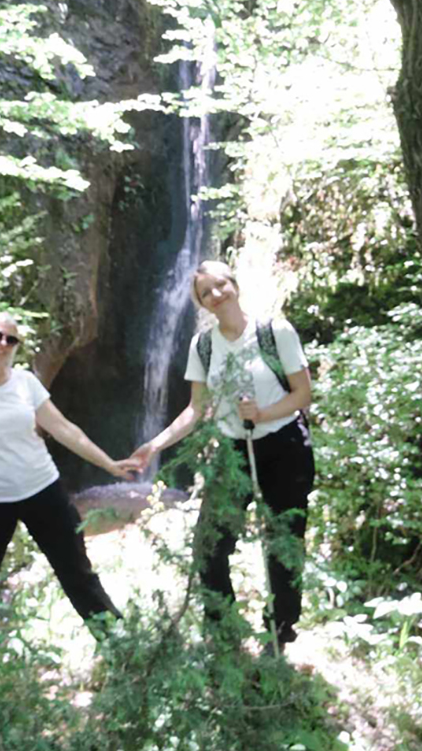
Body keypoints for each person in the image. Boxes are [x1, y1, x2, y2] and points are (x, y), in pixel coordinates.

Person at [133, 261, 315, 651]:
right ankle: (223, 630)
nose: (215, 294)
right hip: (234, 450)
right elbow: (197, 409)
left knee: (283, 542)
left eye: (220, 285)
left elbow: (303, 394)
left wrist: (263, 413)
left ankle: (279, 632)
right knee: (210, 543)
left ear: (234, 284)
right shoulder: (203, 346)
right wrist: (155, 445)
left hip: (284, 446)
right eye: (206, 293)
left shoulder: (275, 332)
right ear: (201, 303)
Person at [0, 312, 140, 635]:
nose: (3, 343)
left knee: (78, 573)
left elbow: (65, 430)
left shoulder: (25, 383)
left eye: (11, 339)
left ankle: (118, 644)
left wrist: (109, 464)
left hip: (43, 490)